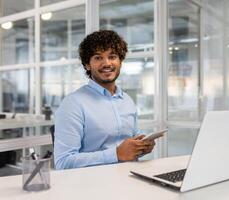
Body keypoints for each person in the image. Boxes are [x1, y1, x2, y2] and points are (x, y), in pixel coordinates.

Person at [54, 30, 155, 170]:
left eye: (112, 56)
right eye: (98, 58)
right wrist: (116, 154)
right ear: (87, 64)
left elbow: (129, 147)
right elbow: (63, 162)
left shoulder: (127, 100)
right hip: (92, 185)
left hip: (131, 178)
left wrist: (142, 147)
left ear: (120, 61)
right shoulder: (73, 104)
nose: (107, 63)